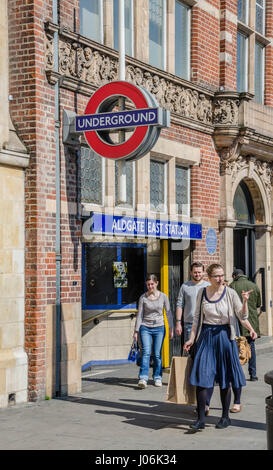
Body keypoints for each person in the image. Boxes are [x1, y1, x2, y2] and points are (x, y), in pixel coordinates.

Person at [184, 263, 258, 431]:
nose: (220, 279)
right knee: (202, 376)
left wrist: (245, 303)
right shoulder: (202, 293)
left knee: (225, 378)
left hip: (225, 336)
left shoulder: (230, 293)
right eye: (216, 276)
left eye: (222, 275)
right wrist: (191, 339)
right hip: (206, 337)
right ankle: (201, 419)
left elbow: (242, 315)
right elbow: (196, 319)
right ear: (208, 278)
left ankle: (225, 417)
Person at [175, 262, 210, 414]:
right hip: (189, 325)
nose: (197, 274)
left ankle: (205, 402)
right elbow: (179, 304)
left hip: (206, 325)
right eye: (194, 272)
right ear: (191, 272)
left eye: (199, 272)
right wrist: (178, 323)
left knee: (206, 362)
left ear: (203, 273)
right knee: (195, 362)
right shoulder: (185, 286)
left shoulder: (209, 286)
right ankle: (198, 400)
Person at [133, 274, 173, 389]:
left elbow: (169, 313)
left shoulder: (163, 297)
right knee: (145, 352)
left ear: (157, 283)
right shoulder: (143, 298)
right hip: (145, 327)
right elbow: (139, 314)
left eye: (152, 284)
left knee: (156, 354)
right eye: (148, 284)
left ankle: (157, 377)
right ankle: (143, 378)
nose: (150, 287)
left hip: (159, 327)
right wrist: (136, 331)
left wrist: (171, 328)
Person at [230, 268, 261, 382]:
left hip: (238, 323)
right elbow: (258, 304)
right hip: (251, 322)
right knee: (251, 348)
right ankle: (253, 374)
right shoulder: (254, 286)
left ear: (234, 276)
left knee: (237, 349)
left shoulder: (232, 286)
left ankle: (238, 374)